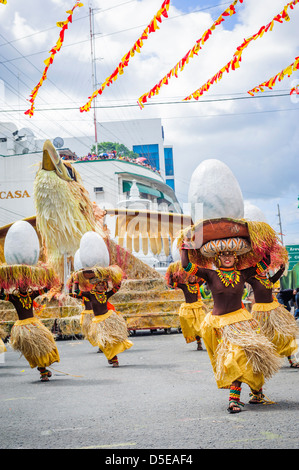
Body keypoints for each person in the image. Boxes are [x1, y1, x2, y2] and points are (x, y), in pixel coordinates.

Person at [180, 241, 282, 414]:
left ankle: (250, 394)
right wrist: (185, 247)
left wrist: (265, 245)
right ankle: (246, 395)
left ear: (235, 258)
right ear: (218, 258)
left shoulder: (243, 274)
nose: (227, 258)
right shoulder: (210, 274)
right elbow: (186, 265)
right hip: (219, 325)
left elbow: (264, 264)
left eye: (230, 255)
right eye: (223, 255)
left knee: (246, 355)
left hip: (240, 322)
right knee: (234, 358)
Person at [69, 267, 133, 367]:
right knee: (102, 342)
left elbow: (116, 289)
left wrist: (117, 278)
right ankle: (111, 357)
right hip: (98, 322)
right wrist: (76, 280)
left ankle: (114, 359)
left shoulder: (105, 294)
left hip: (109, 319)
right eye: (99, 285)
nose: (101, 287)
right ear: (95, 286)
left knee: (112, 340)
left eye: (103, 285)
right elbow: (76, 292)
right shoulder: (91, 294)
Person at [0, 286, 60, 381]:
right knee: (33, 349)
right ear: (18, 287)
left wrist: (49, 283)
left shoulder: (31, 295)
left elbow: (44, 290)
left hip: (34, 324)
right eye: (22, 286)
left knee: (44, 343)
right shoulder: (14, 297)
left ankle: (42, 367)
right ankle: (43, 371)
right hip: (23, 327)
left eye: (25, 285)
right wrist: (2, 287)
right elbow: (2, 296)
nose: (24, 287)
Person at [247, 267, 299, 369]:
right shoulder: (253, 280)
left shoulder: (270, 280)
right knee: (261, 336)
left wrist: (282, 265)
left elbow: (280, 272)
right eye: (260, 268)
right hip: (259, 313)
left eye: (264, 268)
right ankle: (261, 362)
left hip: (274, 311)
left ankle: (292, 360)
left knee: (286, 335)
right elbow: (245, 274)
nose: (262, 270)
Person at [165, 261, 207, 350]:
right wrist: (171, 276)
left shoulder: (197, 284)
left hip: (198, 308)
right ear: (187, 278)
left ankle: (201, 343)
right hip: (188, 309)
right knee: (192, 326)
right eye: (190, 277)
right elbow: (172, 284)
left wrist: (203, 267)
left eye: (193, 276)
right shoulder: (184, 286)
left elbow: (205, 278)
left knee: (200, 325)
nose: (192, 278)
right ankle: (198, 342)